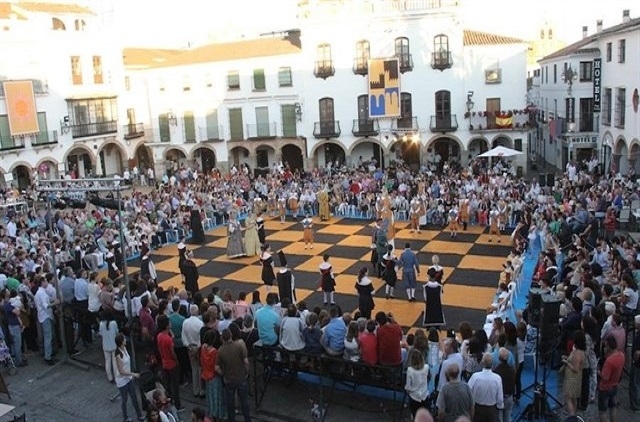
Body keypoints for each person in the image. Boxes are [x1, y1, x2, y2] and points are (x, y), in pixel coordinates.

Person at [215, 328, 252, 422]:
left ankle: (231, 419)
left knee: (230, 403)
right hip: (241, 377)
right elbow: (246, 361)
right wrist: (247, 372)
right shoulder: (239, 346)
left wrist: (224, 374)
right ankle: (247, 419)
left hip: (229, 379)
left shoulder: (220, 350)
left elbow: (217, 368)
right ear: (231, 335)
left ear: (222, 338)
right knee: (244, 402)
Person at [114, 333, 144, 422]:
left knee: (134, 397)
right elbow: (121, 371)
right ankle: (125, 417)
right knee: (125, 399)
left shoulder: (124, 349)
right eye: (124, 339)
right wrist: (133, 374)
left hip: (128, 378)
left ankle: (139, 415)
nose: (125, 340)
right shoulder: (118, 355)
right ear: (121, 342)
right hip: (122, 381)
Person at [156, 315, 183, 412]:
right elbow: (172, 352)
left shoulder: (160, 336)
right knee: (175, 386)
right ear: (167, 325)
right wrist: (176, 361)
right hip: (172, 364)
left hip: (164, 362)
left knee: (167, 385)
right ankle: (178, 405)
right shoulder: (168, 339)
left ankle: (169, 402)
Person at [468, 353, 503, 422]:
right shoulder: (497, 378)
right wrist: (499, 407)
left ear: (482, 363)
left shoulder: (475, 377)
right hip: (492, 410)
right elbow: (500, 398)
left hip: (478, 409)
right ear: (492, 364)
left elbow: (468, 392)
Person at [598, 336, 625, 422]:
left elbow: (605, 377)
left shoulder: (609, 361)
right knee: (613, 408)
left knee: (602, 411)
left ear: (609, 346)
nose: (604, 348)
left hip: (605, 388)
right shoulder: (621, 355)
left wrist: (598, 372)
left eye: (605, 346)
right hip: (614, 386)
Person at [200, 330, 226, 422]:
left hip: (206, 375)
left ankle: (211, 413)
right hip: (214, 376)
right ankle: (217, 415)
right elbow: (216, 366)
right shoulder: (214, 351)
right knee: (217, 397)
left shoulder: (203, 348)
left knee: (210, 396)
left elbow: (202, 362)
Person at [182, 304, 205, 399]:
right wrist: (197, 347)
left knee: (194, 369)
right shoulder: (200, 323)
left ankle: (195, 390)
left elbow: (184, 337)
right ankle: (201, 390)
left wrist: (188, 346)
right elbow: (201, 337)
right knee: (200, 369)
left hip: (190, 348)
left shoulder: (185, 322)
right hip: (197, 348)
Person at [561, 330, 586, 417]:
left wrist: (566, 362)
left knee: (568, 398)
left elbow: (575, 369)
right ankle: (574, 415)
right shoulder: (582, 352)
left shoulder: (577, 353)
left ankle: (572, 416)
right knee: (574, 398)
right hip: (577, 378)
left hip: (572, 378)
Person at [35, 276, 58, 365]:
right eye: (45, 281)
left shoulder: (41, 292)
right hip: (46, 317)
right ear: (42, 283)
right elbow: (46, 305)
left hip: (45, 316)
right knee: (48, 337)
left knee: (50, 336)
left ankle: (49, 353)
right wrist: (55, 303)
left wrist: (53, 300)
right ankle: (47, 356)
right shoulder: (41, 293)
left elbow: (48, 299)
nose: (47, 283)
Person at [405, 349, 430, 419]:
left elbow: (408, 387)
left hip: (414, 398)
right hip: (425, 397)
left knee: (415, 417)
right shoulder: (426, 367)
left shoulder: (410, 370)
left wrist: (408, 390)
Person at [493, 347, 516, 422]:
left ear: (499, 358)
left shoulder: (496, 371)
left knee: (499, 418)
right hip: (509, 397)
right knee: (508, 418)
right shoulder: (512, 370)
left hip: (500, 398)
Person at [99, 309, 118, 382]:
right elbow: (117, 332)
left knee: (107, 361)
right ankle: (116, 377)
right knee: (114, 361)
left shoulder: (101, 324)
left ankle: (110, 377)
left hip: (105, 345)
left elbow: (100, 334)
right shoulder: (113, 323)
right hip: (114, 344)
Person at [630, 315, 640, 412]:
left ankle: (636, 404)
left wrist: (634, 360)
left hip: (637, 364)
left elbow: (637, 352)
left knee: (635, 384)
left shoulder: (638, 337)